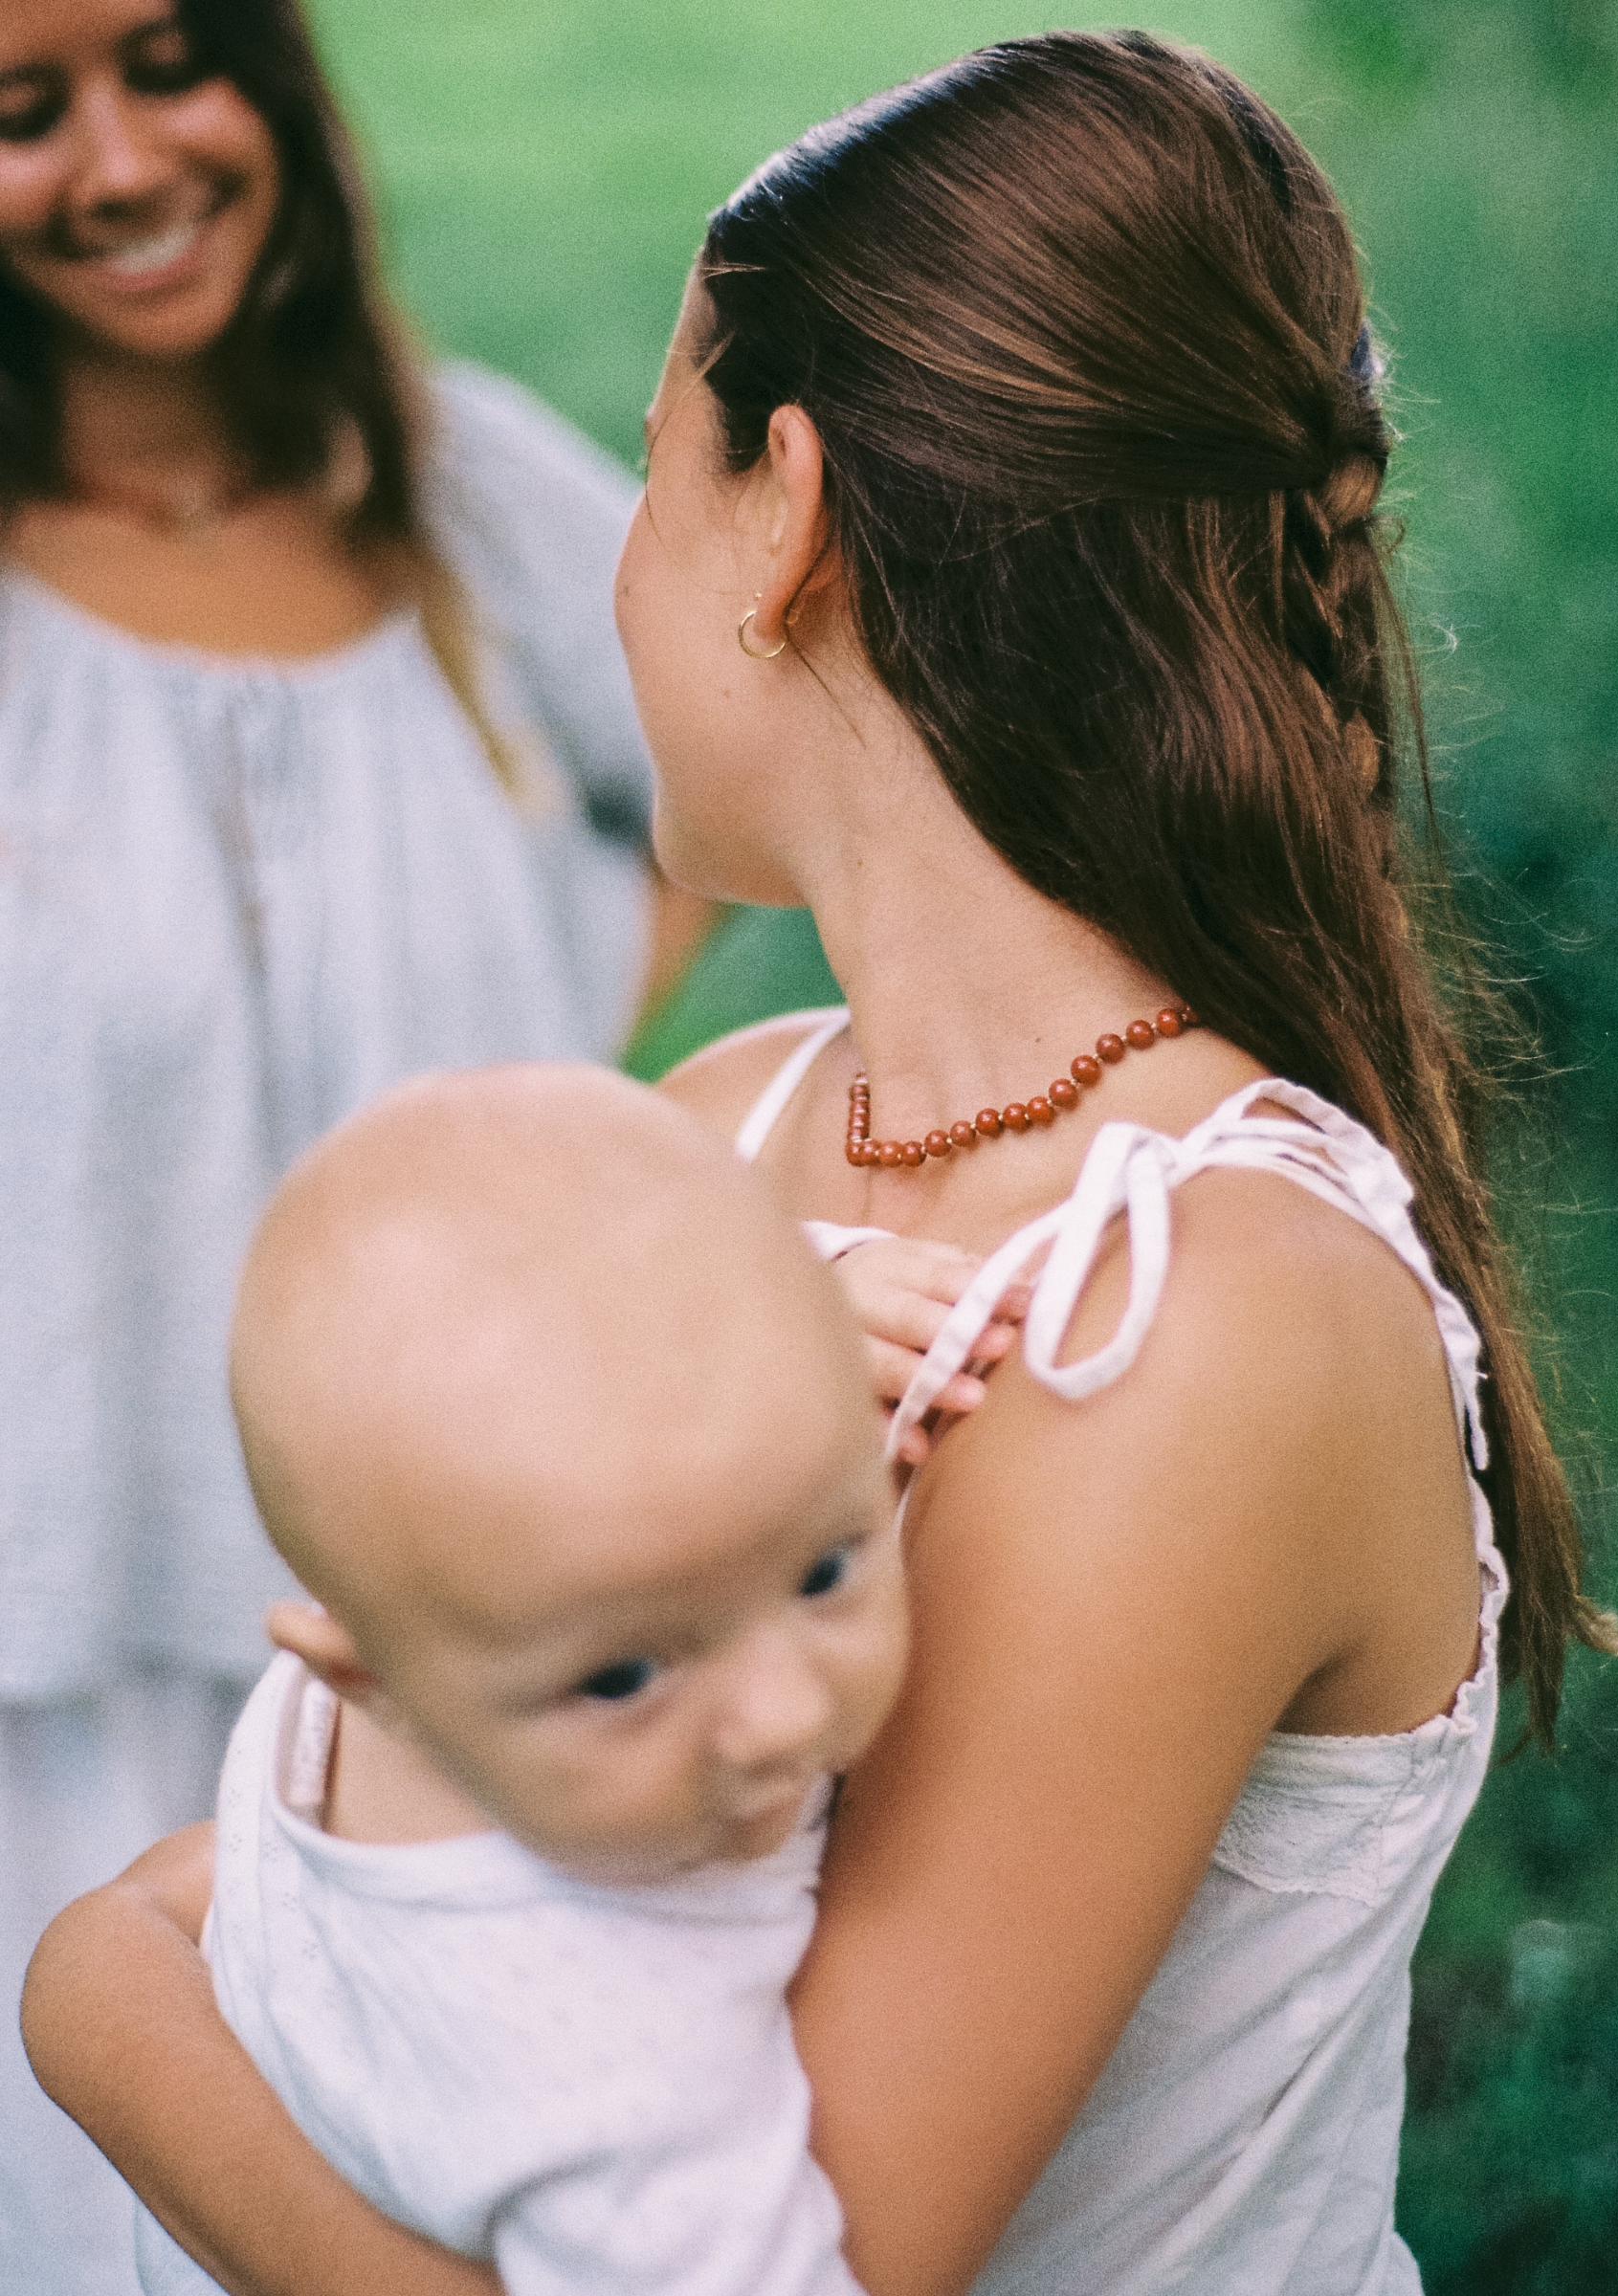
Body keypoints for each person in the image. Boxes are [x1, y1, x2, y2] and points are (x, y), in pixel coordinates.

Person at [24, 31, 1618, 2296]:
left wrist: (97, 1997)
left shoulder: (1191, 1312)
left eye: (657, 471)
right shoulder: (736, 1123)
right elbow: (455, 1842)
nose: (621, 562)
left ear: (784, 513)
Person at [0, 2, 707, 2285]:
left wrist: (561, 1011)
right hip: (60, 1641)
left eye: (173, 63)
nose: (121, 161)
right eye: (21, 111)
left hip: (474, 1619)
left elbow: (743, 772)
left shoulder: (456, 488)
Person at [133, 1061, 907, 2296]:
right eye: (624, 1679)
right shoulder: (605, 2092)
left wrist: (811, 1312)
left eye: (823, 1568)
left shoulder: (446, 1623)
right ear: (367, 1681)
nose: (789, 1715)